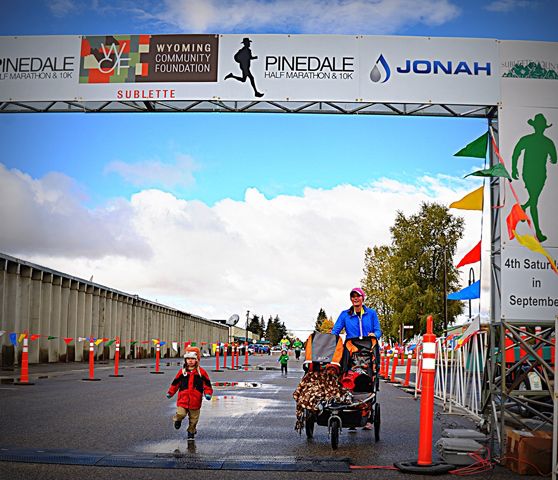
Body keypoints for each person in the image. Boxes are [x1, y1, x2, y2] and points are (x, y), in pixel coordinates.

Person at [331, 287, 381, 430]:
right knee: (347, 379)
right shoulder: (345, 314)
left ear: (363, 298)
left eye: (358, 296)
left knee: (368, 381)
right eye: (353, 296)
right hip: (350, 350)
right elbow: (336, 331)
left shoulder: (371, 313)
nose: (355, 299)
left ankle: (368, 415)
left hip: (368, 349)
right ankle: (350, 412)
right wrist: (331, 339)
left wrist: (374, 335)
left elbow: (378, 330)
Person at [511, 113, 557, 242]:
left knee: (534, 199)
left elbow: (516, 153)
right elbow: (554, 159)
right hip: (535, 173)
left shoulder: (531, 140)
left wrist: (514, 167)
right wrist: (514, 168)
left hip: (534, 173)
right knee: (535, 201)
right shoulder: (547, 142)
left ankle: (523, 208)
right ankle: (538, 232)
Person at [166, 348, 213, 441]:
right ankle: (177, 420)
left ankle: (191, 432)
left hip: (195, 401)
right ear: (185, 360)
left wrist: (208, 393)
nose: (190, 361)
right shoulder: (182, 372)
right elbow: (175, 383)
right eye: (188, 359)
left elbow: (207, 385)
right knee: (180, 414)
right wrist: (170, 392)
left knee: (193, 420)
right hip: (183, 399)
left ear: (197, 360)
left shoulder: (201, 373)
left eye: (192, 359)